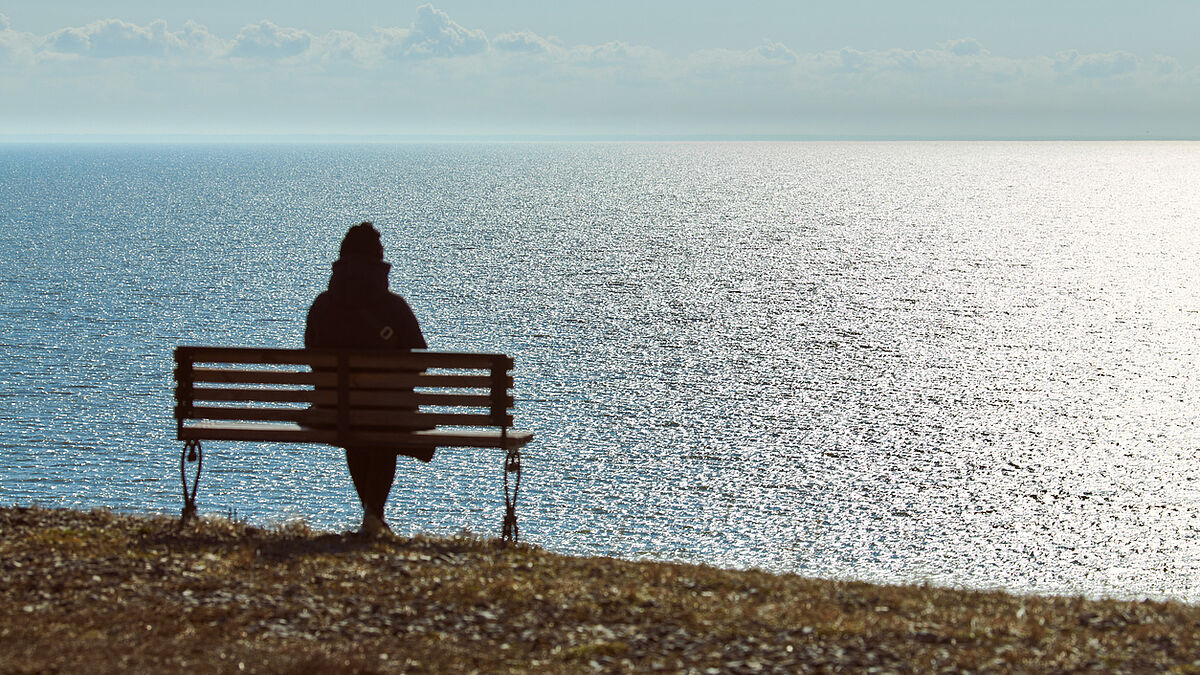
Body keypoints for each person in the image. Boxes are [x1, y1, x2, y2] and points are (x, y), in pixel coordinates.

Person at [305, 221, 428, 536]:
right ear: (379, 261)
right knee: (382, 429)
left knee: (355, 429)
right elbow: (420, 362)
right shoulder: (394, 307)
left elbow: (310, 354)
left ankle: (372, 516)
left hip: (333, 412)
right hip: (389, 414)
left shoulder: (322, 306)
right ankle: (373, 515)